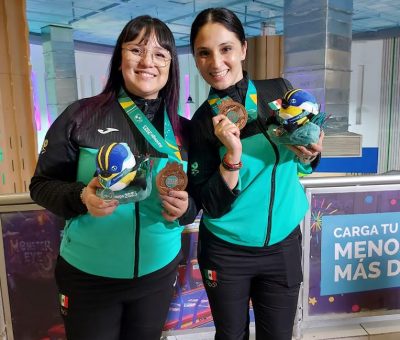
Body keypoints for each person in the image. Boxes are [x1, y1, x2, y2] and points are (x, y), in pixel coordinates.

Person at [30, 15, 196, 340]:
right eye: (136, 50)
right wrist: (81, 197)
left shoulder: (184, 131)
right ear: (120, 59)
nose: (148, 61)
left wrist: (187, 208)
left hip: (157, 274)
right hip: (89, 275)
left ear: (170, 66)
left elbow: (198, 199)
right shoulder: (80, 116)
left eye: (160, 54)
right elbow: (41, 185)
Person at [185, 8, 324, 340]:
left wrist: (312, 154)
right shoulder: (203, 122)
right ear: (196, 58)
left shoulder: (279, 91)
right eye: (204, 53)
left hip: (283, 244)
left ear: (244, 49)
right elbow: (211, 204)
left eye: (226, 48)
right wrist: (232, 157)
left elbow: (300, 164)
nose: (215, 62)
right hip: (227, 250)